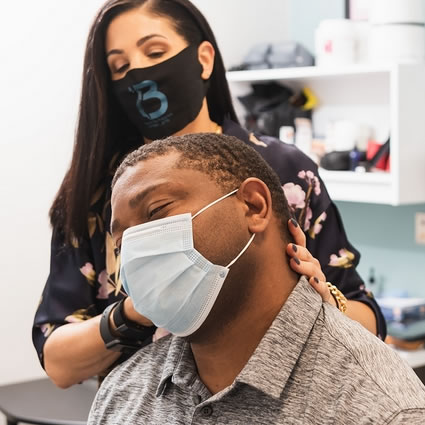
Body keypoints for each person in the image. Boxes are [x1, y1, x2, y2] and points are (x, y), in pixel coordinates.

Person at [32, 0, 385, 389]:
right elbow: (59, 362)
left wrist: (319, 301)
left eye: (154, 52)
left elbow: (369, 321)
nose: (138, 73)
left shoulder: (286, 174)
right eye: (120, 66)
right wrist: (137, 311)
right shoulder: (100, 197)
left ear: (202, 59)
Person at [88, 133, 425, 425]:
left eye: (156, 211)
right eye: (122, 244)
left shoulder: (383, 409)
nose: (138, 249)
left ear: (253, 205)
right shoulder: (122, 394)